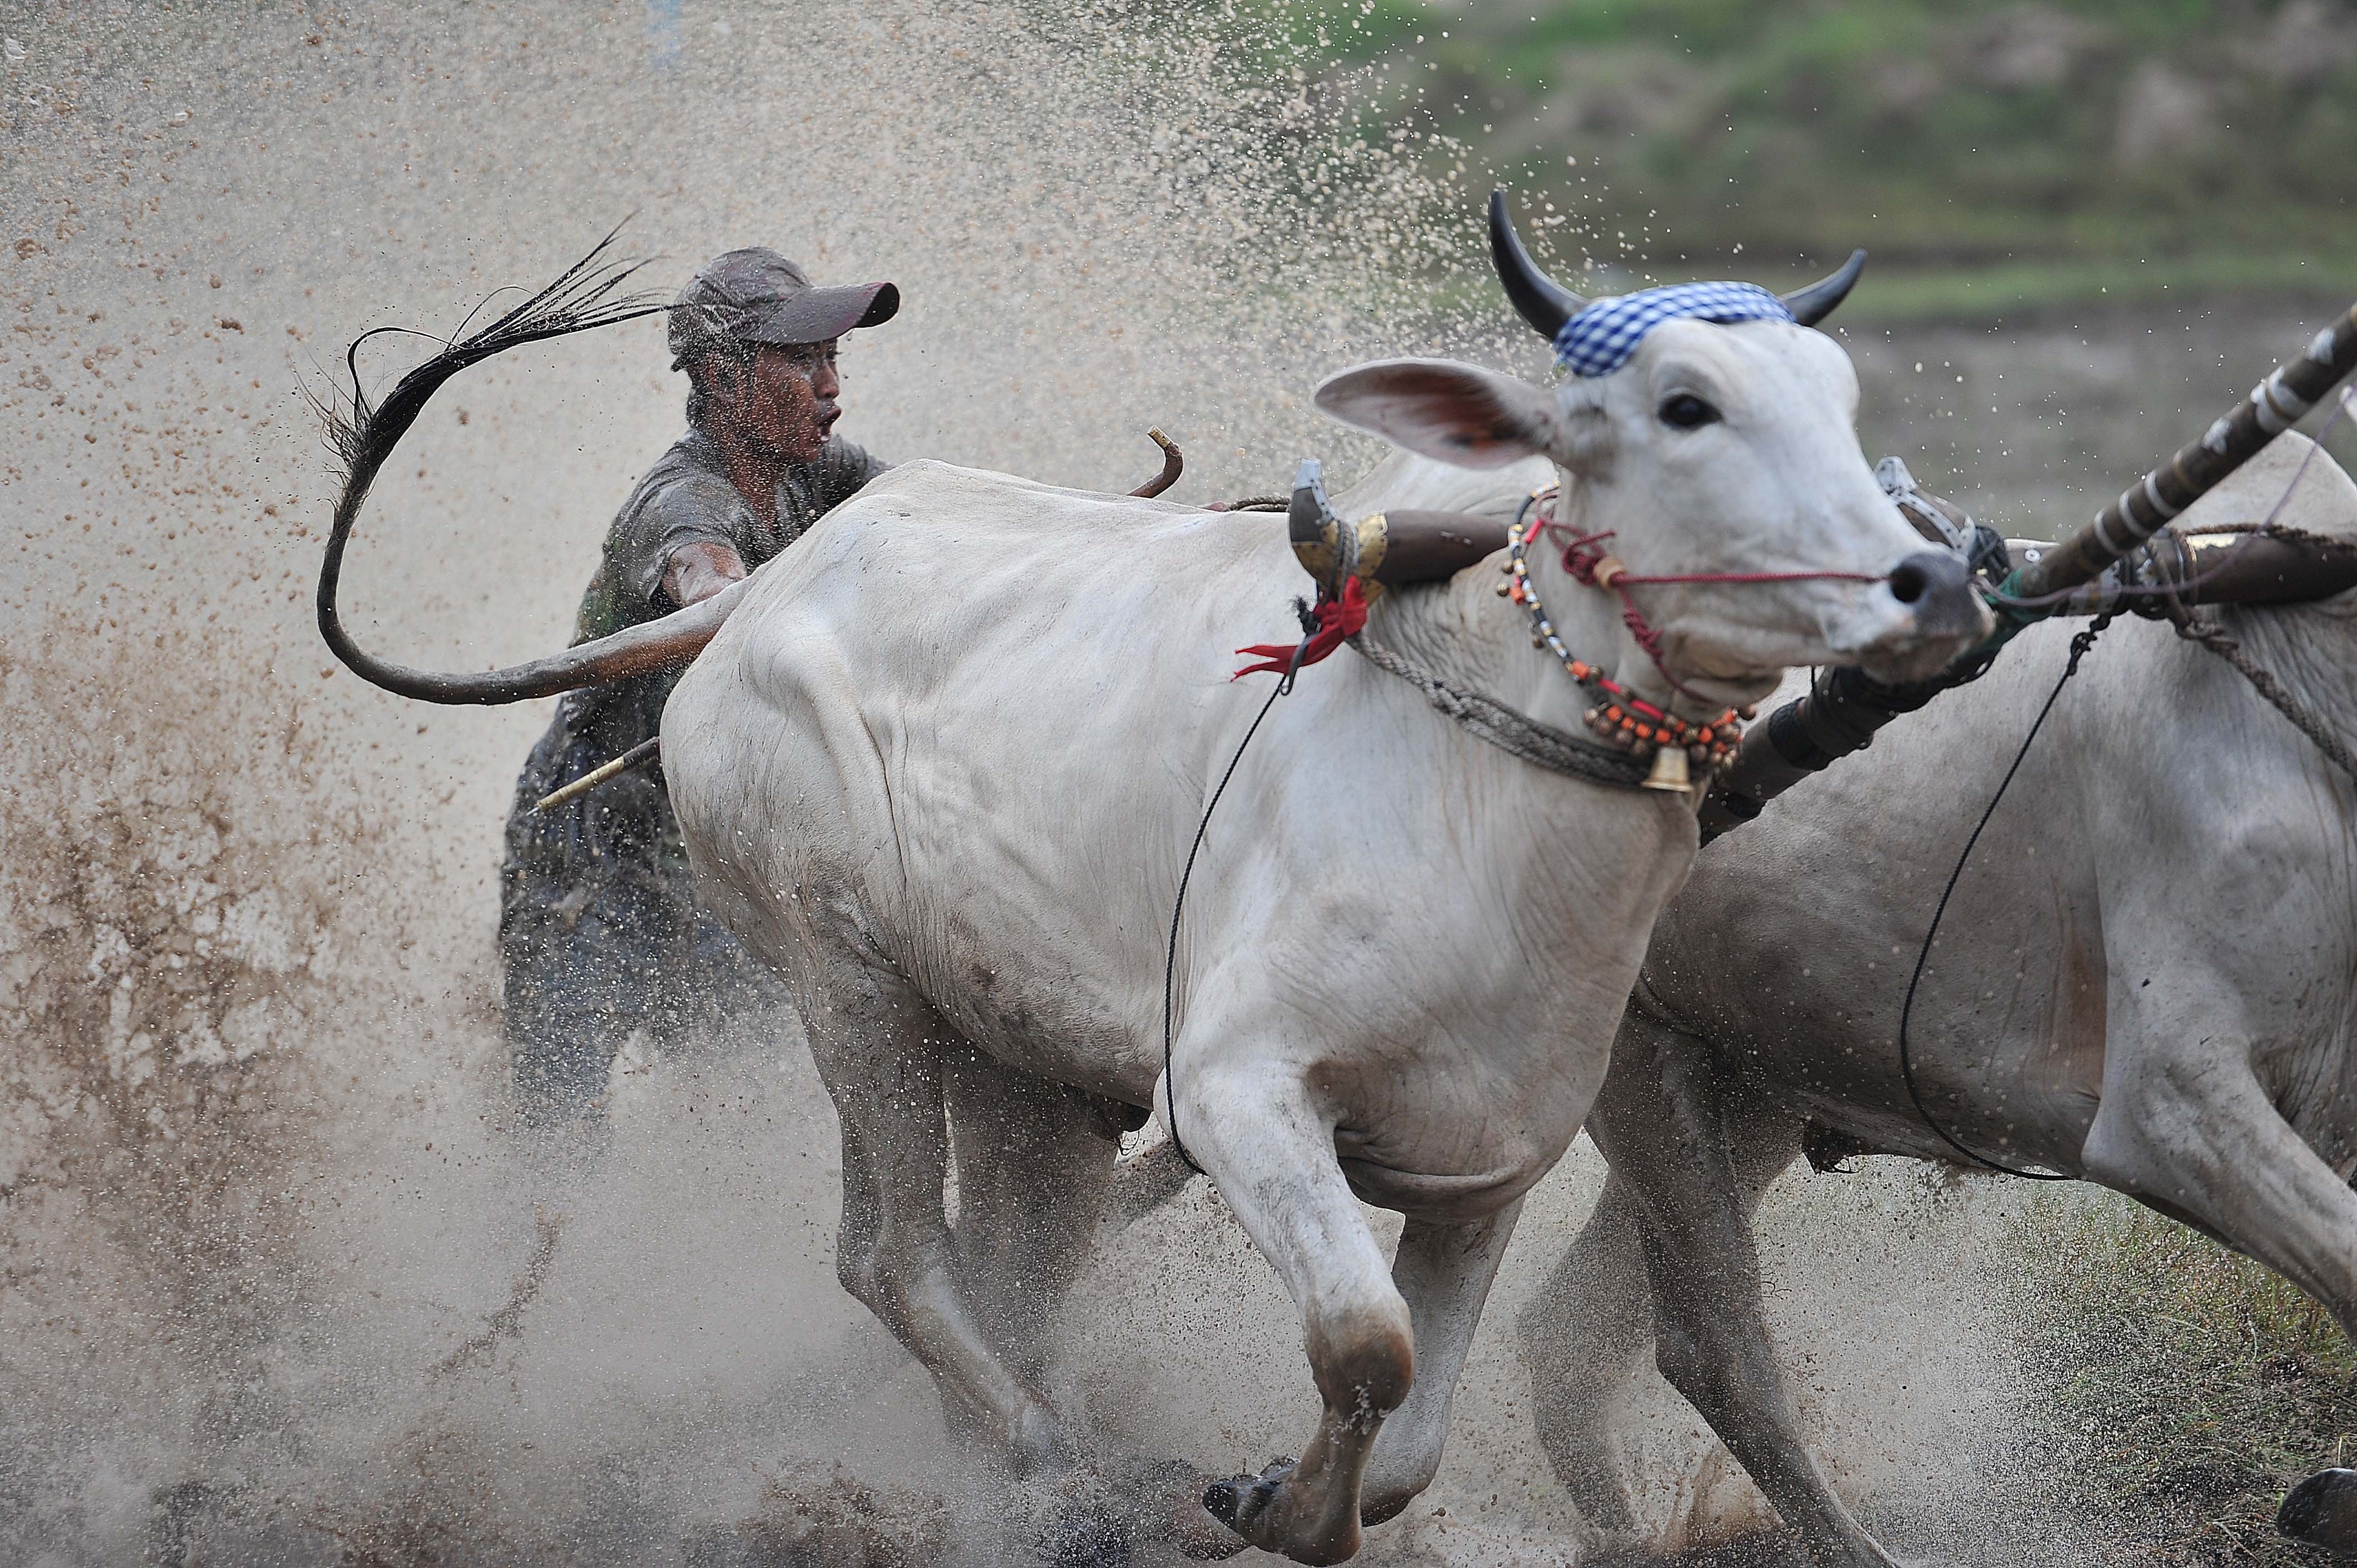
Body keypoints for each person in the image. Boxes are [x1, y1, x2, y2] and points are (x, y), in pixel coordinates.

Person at [498, 248, 899, 1126]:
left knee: (756, 1107)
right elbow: (706, 579)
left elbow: (932, 516)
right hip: (597, 847)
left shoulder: (823, 470)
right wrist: (750, 600)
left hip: (724, 854)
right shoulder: (681, 502)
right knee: (558, 1125)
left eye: (833, 358)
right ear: (721, 377)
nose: (831, 387)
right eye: (802, 361)